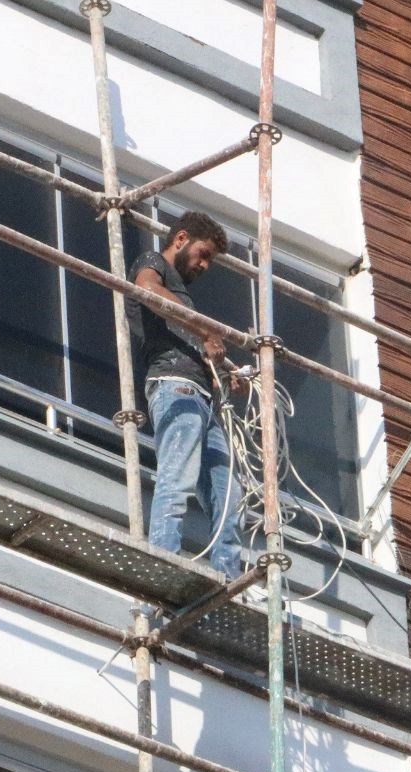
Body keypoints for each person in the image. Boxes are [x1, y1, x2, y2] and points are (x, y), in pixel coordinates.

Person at [129, 211, 244, 579]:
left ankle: (226, 576)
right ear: (181, 239)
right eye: (203, 253)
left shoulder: (183, 301)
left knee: (229, 494)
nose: (205, 265)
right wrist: (203, 328)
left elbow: (191, 337)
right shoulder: (152, 263)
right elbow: (147, 290)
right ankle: (163, 562)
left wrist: (225, 370)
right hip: (174, 386)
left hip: (200, 396)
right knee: (176, 477)